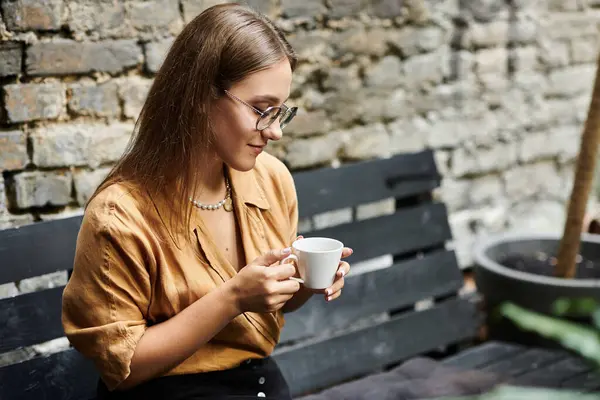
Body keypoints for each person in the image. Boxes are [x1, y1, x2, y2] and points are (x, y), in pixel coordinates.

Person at [61, 3, 352, 400]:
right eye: (263, 110)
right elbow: (122, 367)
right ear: (200, 95)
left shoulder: (271, 179)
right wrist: (233, 298)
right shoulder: (120, 216)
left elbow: (273, 310)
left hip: (261, 384)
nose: (276, 132)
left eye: (281, 112)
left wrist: (305, 281)